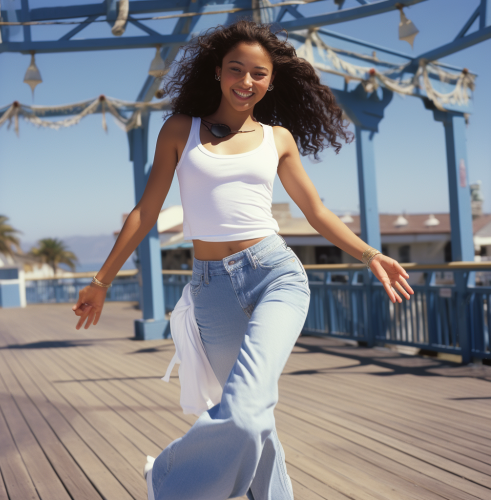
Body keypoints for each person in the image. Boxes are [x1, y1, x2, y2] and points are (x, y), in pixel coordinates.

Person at [72, 19, 414, 500]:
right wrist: (101, 281)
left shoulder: (278, 139)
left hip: (276, 275)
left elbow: (315, 211)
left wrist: (370, 253)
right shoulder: (179, 130)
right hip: (212, 290)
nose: (246, 81)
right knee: (254, 418)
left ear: (271, 80)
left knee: (249, 409)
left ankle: (168, 475)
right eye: (237, 69)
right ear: (217, 72)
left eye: (258, 73)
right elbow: (145, 212)